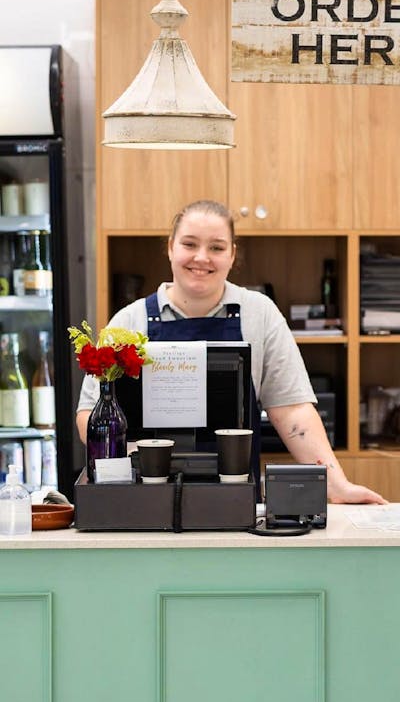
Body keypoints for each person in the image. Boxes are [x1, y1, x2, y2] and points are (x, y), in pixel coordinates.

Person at [77, 199, 386, 505]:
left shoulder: (259, 313)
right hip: (141, 500)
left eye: (216, 247)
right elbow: (90, 415)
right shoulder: (130, 320)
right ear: (171, 248)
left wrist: (337, 485)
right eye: (189, 244)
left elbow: (292, 412)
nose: (202, 257)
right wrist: (135, 454)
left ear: (232, 254)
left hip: (235, 499)